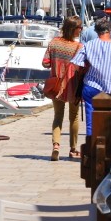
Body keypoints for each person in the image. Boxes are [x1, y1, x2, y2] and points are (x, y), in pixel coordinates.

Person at [42, 16, 84, 161]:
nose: (81, 30)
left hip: (57, 85)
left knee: (58, 116)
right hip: (73, 85)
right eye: (80, 28)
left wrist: (56, 64)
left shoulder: (53, 43)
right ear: (73, 29)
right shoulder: (78, 47)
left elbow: (45, 63)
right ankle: (73, 149)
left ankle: (56, 146)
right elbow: (82, 67)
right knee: (74, 117)